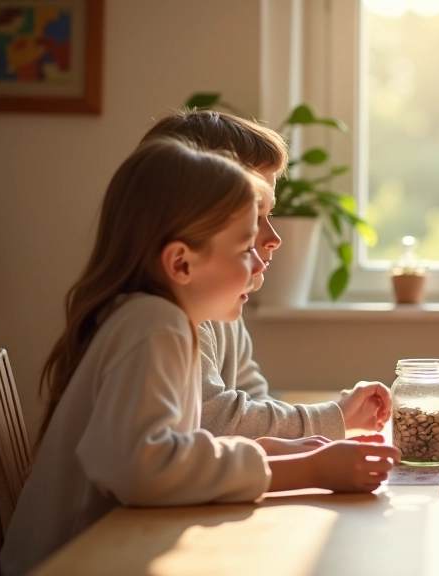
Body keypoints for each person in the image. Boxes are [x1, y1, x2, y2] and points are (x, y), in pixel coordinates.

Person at [1, 137, 399, 576]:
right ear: (181, 264)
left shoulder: (156, 320)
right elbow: (143, 470)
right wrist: (307, 470)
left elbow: (173, 448)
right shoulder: (154, 324)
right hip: (73, 563)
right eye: (245, 248)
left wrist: (270, 450)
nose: (259, 264)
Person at [141, 109, 391, 454]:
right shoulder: (160, 320)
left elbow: (251, 402)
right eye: (253, 216)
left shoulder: (218, 303)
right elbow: (214, 423)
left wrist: (318, 441)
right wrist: (333, 419)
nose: (273, 237)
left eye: (267, 213)